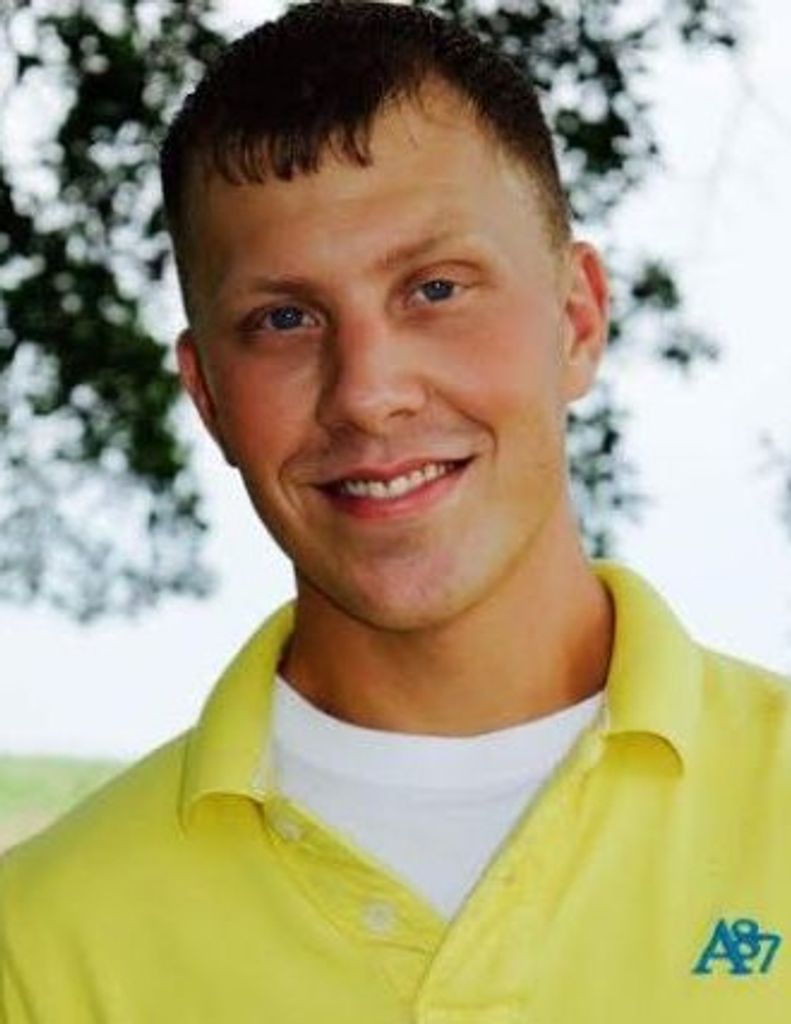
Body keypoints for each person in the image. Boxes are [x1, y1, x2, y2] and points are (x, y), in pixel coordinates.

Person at [1, 3, 789, 1021]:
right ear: (208, 397)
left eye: (435, 289)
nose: (368, 393)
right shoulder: (37, 944)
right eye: (284, 318)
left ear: (576, 320)